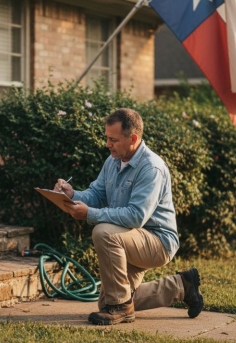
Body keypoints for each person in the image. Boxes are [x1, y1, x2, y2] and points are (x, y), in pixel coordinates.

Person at [54, 108, 203, 325]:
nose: (108, 144)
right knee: (106, 302)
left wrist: (90, 214)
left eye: (113, 139)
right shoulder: (112, 161)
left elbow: (136, 217)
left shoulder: (151, 168)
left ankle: (122, 308)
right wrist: (72, 194)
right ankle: (182, 285)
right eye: (107, 138)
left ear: (133, 138)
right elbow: (96, 193)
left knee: (103, 232)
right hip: (130, 237)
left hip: (157, 241)